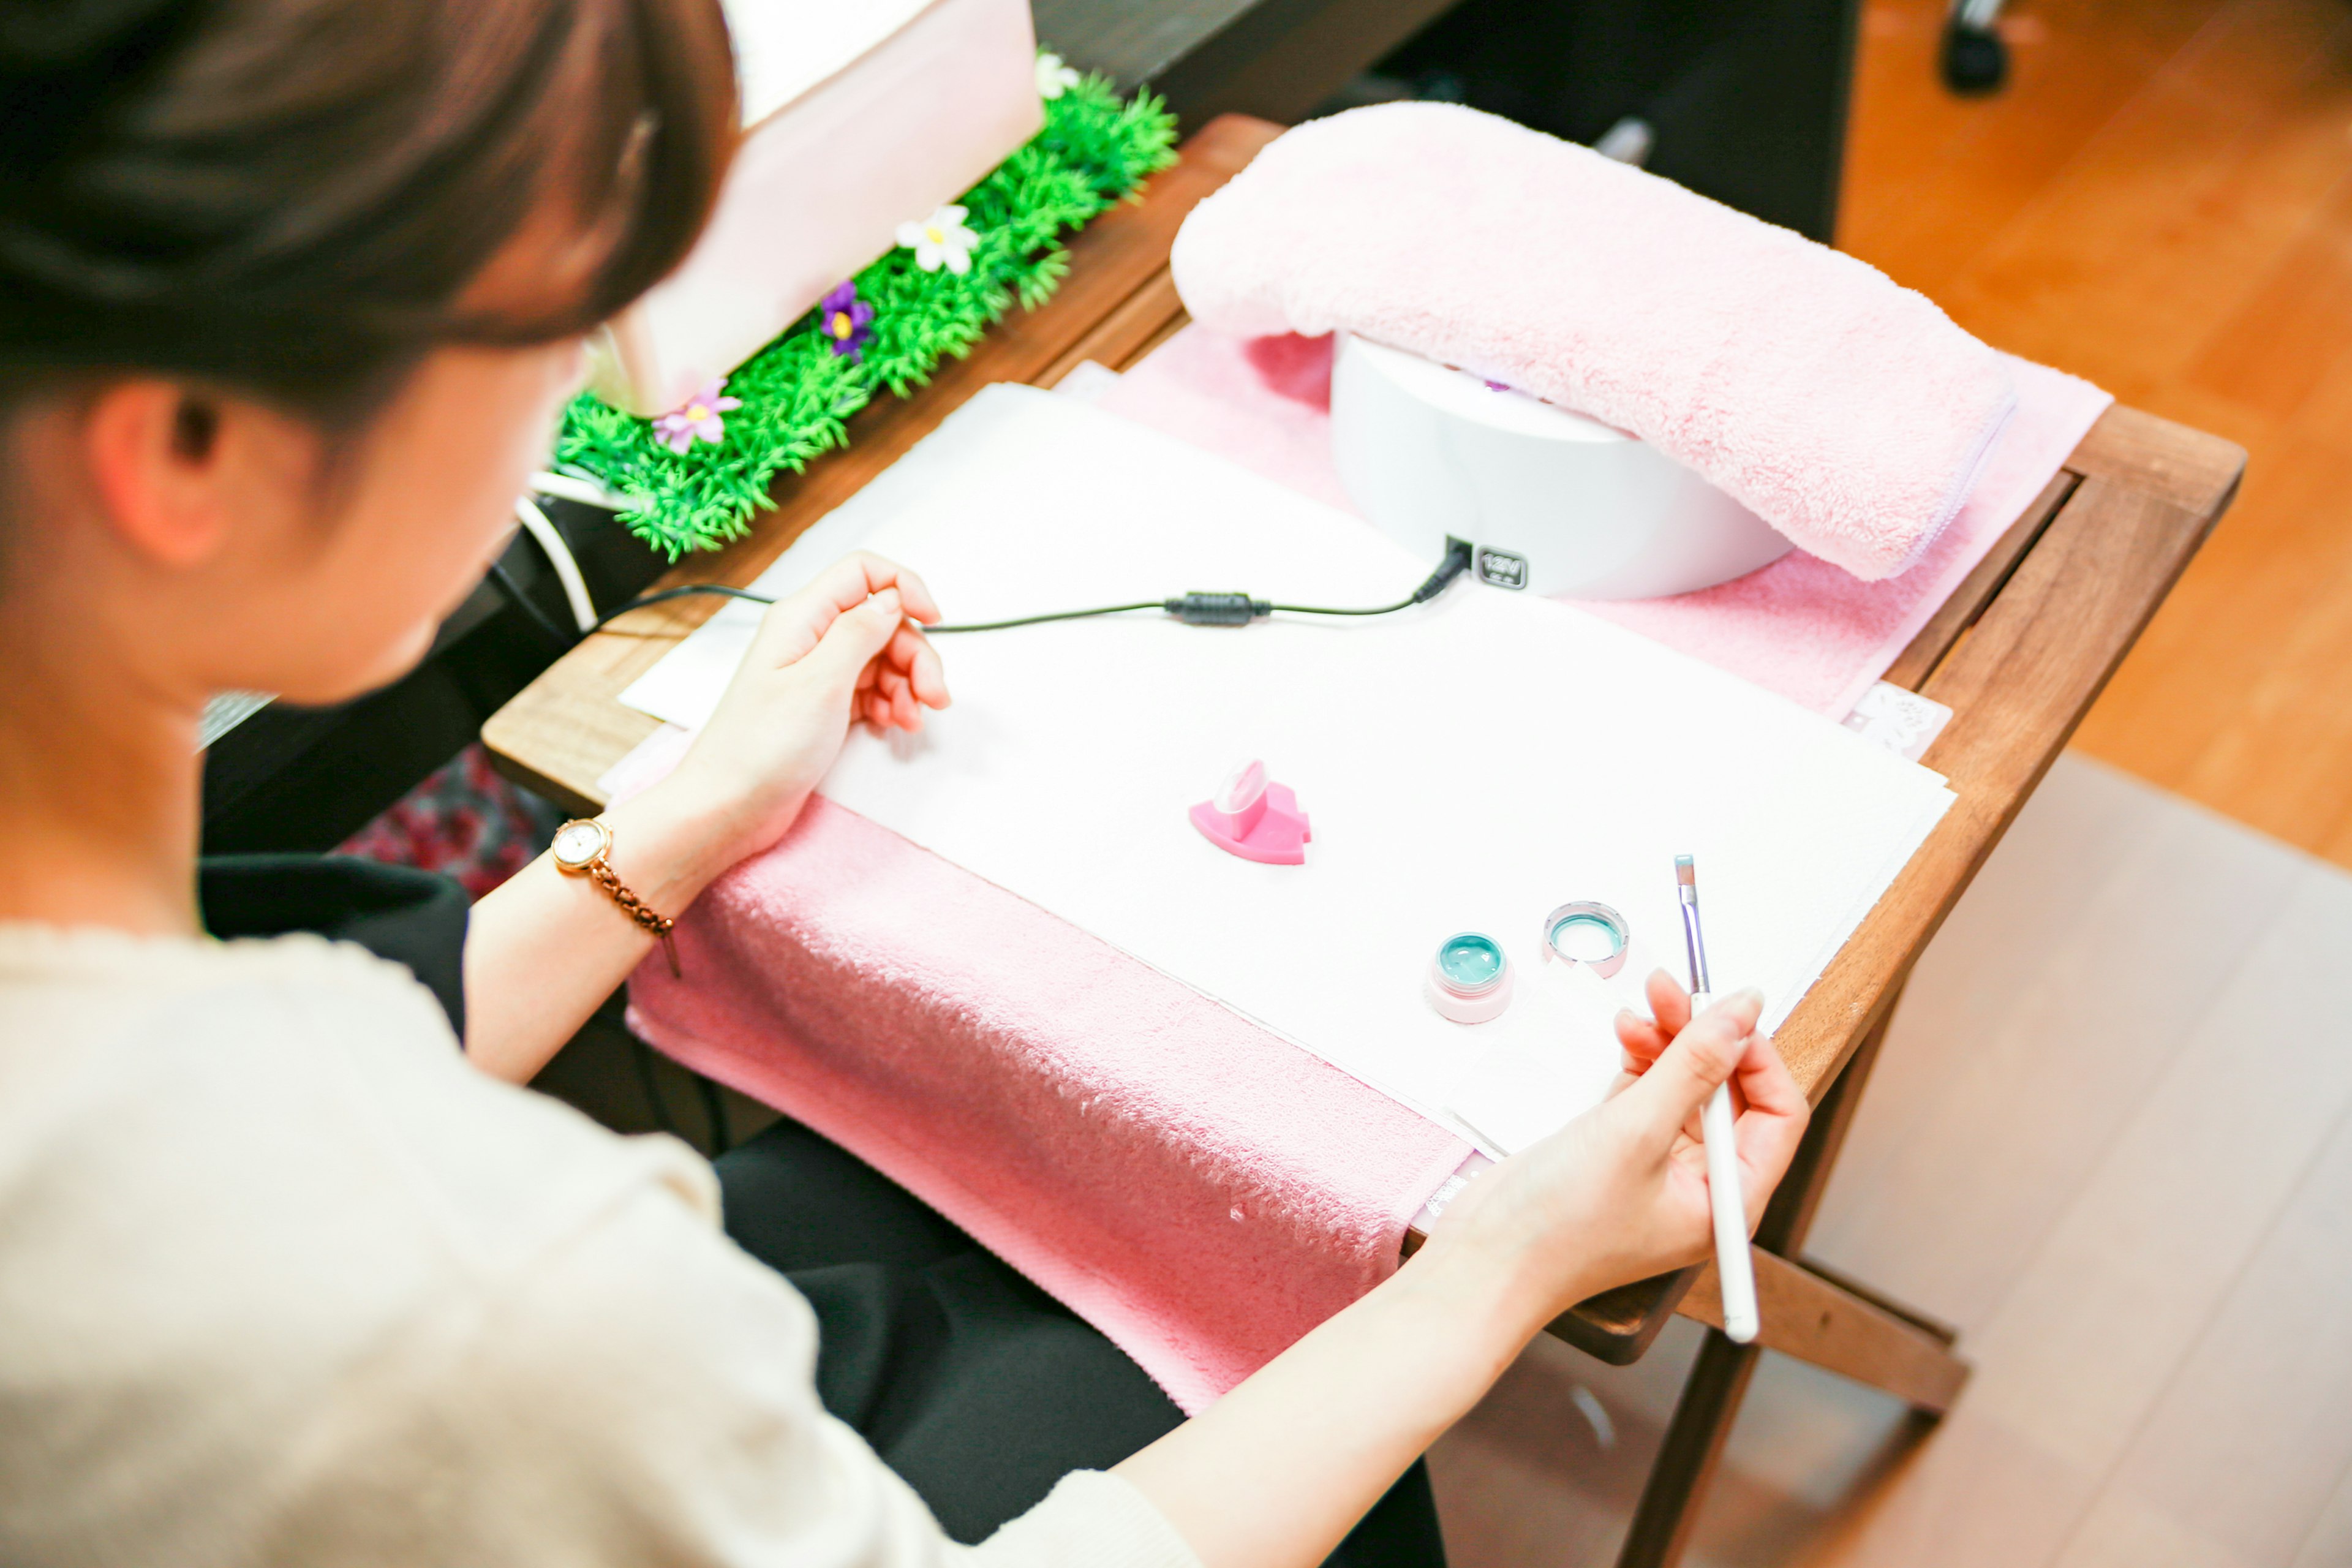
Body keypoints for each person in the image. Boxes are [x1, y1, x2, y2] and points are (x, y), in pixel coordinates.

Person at [0, 2, 1811, 1564]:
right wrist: (1496, 1268)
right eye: (542, 323)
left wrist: (684, 820)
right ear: (185, 449)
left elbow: (309, 1058)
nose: (574, 383)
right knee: (1245, 1337)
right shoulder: (500, 1292)